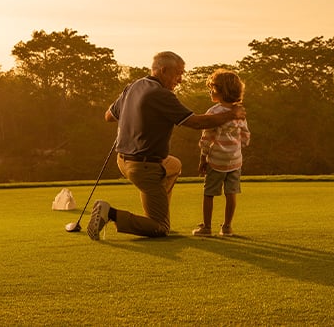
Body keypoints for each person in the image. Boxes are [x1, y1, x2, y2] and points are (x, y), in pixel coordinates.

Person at [87, 51, 246, 240]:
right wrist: (231, 114)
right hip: (144, 166)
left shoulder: (134, 86)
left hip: (124, 161)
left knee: (174, 165)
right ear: (163, 70)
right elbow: (196, 123)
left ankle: (157, 213)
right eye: (178, 74)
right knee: (160, 228)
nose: (180, 80)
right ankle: (110, 213)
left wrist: (135, 113)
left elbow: (109, 116)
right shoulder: (161, 94)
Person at [192, 69, 250, 237]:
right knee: (231, 193)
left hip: (216, 160)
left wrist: (203, 157)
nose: (210, 91)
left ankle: (207, 227)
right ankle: (227, 227)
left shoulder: (214, 112)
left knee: (209, 193)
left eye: (213, 88)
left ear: (221, 92)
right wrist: (240, 146)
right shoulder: (240, 111)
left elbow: (207, 137)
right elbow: (245, 134)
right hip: (235, 160)